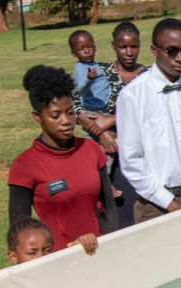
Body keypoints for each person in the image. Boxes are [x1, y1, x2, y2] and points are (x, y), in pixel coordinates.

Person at [117, 18, 181, 223]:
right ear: (154, 49)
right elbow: (131, 160)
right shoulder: (133, 95)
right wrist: (168, 202)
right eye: (172, 51)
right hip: (155, 204)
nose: (180, 58)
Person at [8, 65, 118, 252]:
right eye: (55, 115)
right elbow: (20, 231)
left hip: (101, 253)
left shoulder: (90, 149)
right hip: (59, 262)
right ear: (37, 116)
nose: (66, 121)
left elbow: (108, 203)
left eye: (70, 112)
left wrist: (112, 243)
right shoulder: (24, 165)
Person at [73, 21, 148, 229]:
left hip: (142, 155)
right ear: (114, 46)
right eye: (123, 47)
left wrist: (113, 119)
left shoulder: (149, 76)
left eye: (134, 46)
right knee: (114, 220)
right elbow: (75, 105)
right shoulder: (98, 71)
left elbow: (152, 114)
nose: (129, 52)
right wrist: (101, 132)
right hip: (106, 149)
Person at [69, 30, 111, 113]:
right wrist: (88, 78)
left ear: (95, 48)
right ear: (74, 53)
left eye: (90, 46)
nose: (87, 51)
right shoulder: (80, 68)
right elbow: (80, 90)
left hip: (105, 106)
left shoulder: (94, 64)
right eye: (81, 48)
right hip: (94, 110)